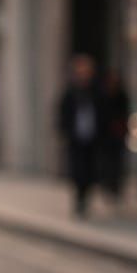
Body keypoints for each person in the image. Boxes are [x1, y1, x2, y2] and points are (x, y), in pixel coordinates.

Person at [57, 54, 102, 218]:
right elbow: (63, 113)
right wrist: (64, 131)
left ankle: (86, 198)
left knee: (90, 170)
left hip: (91, 137)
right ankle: (79, 199)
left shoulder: (96, 91)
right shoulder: (71, 92)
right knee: (77, 169)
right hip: (75, 138)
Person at [98, 67, 129, 203]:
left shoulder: (121, 95)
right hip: (105, 135)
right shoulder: (102, 95)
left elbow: (124, 113)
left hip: (117, 134)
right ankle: (107, 185)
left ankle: (115, 186)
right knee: (106, 161)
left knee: (117, 162)